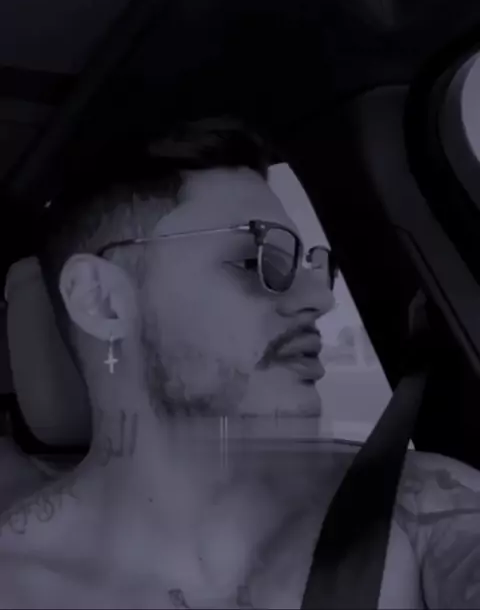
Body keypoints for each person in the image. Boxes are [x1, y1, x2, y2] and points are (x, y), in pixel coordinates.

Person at [0, 116, 479, 609]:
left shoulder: (416, 505)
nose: (320, 299)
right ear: (102, 302)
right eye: (257, 260)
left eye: (313, 266)